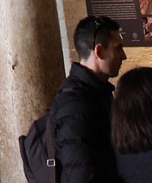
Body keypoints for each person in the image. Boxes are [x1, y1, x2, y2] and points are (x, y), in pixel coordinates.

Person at [49, 14, 127, 183]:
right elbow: (80, 173)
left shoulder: (96, 92)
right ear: (99, 51)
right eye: (118, 48)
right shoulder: (74, 105)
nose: (123, 56)